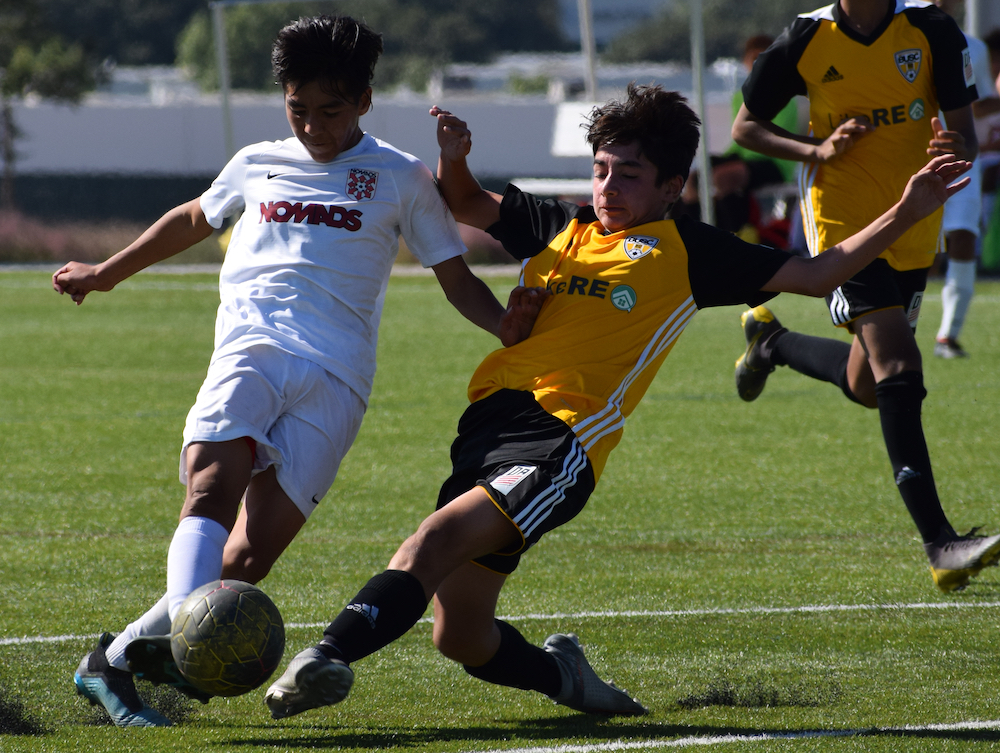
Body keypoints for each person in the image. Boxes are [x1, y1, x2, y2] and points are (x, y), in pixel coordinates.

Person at [260, 83, 971, 720]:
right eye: (600, 170)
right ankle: (565, 676)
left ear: (671, 185)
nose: (607, 187)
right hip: (486, 427)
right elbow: (469, 202)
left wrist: (909, 208)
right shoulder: (560, 228)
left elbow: (821, 274)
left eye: (627, 175)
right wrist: (453, 156)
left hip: (562, 438)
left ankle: (326, 655)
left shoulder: (687, 248)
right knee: (460, 632)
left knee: (433, 542)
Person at [54, 15, 542, 728]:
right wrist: (106, 272)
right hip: (251, 348)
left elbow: (454, 275)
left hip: (338, 379)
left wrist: (503, 323)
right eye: (298, 109)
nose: (313, 125)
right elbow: (194, 217)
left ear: (364, 102)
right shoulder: (256, 162)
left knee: (248, 559)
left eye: (331, 111)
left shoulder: (401, 176)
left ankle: (115, 659)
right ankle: (180, 648)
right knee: (211, 488)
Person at [730, 0, 999, 593]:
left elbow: (967, 135)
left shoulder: (930, 29)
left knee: (868, 384)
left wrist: (951, 149)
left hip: (913, 218)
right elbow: (745, 128)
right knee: (900, 364)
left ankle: (771, 343)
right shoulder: (808, 35)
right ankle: (942, 545)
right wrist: (816, 150)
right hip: (843, 223)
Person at [933, 1, 1000, 358]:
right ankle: (887, 325)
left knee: (963, 238)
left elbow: (980, 104)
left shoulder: (973, 47)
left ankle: (948, 335)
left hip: (962, 158)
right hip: (908, 160)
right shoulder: (897, 38)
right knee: (900, 239)